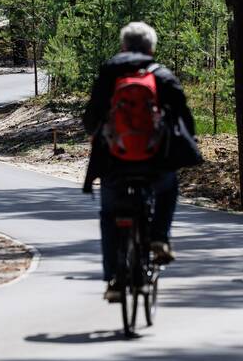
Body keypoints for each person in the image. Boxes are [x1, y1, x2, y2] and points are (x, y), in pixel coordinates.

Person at [82, 22, 201, 302]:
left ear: (123, 46)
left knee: (110, 216)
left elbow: (90, 119)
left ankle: (113, 280)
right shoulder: (162, 76)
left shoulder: (109, 74)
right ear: (151, 48)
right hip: (154, 163)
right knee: (168, 188)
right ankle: (159, 235)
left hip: (114, 162)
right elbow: (185, 119)